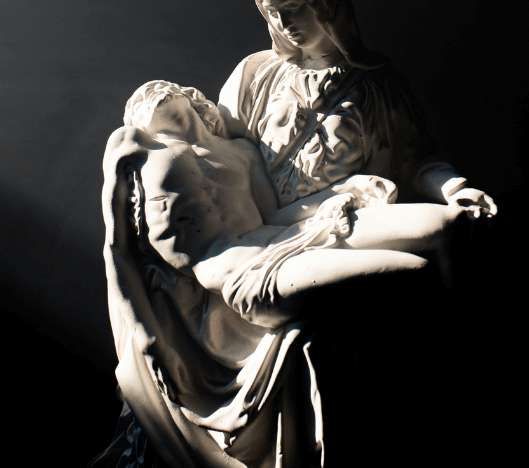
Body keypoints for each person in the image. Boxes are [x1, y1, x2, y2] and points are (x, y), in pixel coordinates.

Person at [100, 80, 466, 468]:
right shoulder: (134, 144)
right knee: (414, 275)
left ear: (190, 98)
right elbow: (117, 250)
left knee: (446, 226)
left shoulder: (239, 151)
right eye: (143, 98)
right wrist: (149, 340)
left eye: (163, 90)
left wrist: (342, 192)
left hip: (284, 240)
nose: (150, 95)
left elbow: (274, 217)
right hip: (245, 274)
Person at [217, 0, 496, 219]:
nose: (283, 23)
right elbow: (218, 153)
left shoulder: (378, 85)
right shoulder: (255, 75)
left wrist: (455, 190)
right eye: (272, 12)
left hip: (347, 219)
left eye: (292, 7)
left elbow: (414, 161)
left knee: (442, 228)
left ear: (325, 0)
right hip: (260, 223)